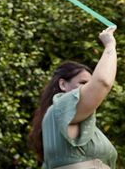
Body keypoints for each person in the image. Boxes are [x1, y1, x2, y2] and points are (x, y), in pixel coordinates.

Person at [29, 27, 118, 169]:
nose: (88, 88)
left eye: (89, 84)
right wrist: (110, 45)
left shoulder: (75, 121)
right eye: (83, 83)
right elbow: (102, 82)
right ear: (63, 84)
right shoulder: (60, 108)